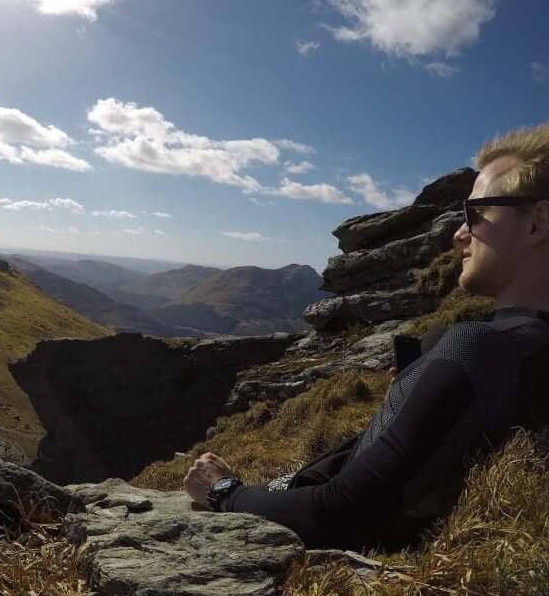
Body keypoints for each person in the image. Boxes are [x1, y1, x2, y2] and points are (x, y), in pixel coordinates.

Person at [184, 123, 549, 551]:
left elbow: (338, 513)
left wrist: (224, 490)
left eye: (476, 214)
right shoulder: (518, 346)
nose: (458, 234)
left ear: (537, 222)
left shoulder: (479, 349)